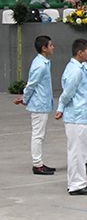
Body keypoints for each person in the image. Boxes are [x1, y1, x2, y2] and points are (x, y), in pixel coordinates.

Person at [55, 39, 87, 195]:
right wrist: (60, 107)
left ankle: (77, 181)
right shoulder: (75, 71)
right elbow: (67, 93)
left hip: (83, 114)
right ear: (80, 53)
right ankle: (76, 185)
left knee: (79, 151)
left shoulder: (85, 68)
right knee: (76, 151)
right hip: (77, 116)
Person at [14, 36, 55, 175]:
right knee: (37, 135)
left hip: (42, 103)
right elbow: (32, 84)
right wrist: (25, 98)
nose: (53, 47)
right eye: (50, 45)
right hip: (39, 104)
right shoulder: (40, 65)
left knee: (40, 135)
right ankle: (37, 164)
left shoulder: (43, 62)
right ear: (44, 48)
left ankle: (40, 162)